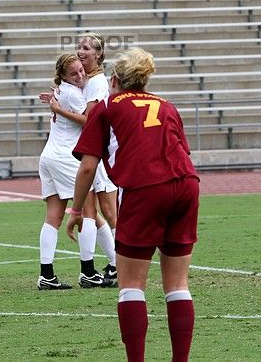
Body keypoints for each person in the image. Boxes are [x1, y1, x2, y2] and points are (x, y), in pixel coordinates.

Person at [70, 48, 199, 362]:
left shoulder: (106, 107)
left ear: (114, 80)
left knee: (130, 285)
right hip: (186, 185)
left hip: (145, 188)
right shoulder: (166, 105)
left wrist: (75, 210)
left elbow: (88, 167)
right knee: (178, 284)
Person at [38, 53, 115, 289]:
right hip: (66, 156)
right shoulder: (71, 92)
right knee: (88, 212)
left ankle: (47, 275)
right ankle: (88, 271)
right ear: (62, 75)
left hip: (49, 156)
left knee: (54, 215)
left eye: (81, 70)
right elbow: (88, 121)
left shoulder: (63, 89)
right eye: (74, 73)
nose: (80, 75)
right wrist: (59, 109)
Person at [75, 33, 119, 281]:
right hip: (91, 151)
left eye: (86, 48)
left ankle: (122, 261)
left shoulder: (98, 82)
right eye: (79, 47)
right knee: (93, 211)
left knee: (109, 212)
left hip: (99, 152)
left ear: (99, 54)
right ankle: (112, 263)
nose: (81, 51)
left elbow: (90, 121)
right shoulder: (88, 81)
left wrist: (61, 110)